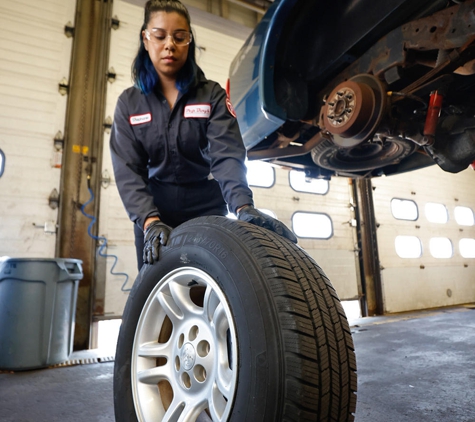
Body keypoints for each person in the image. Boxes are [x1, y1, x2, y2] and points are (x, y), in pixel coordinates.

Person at [110, 0, 297, 270]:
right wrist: (149, 221)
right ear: (145, 38)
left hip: (206, 204)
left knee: (211, 280)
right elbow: (128, 170)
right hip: (155, 209)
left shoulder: (212, 96)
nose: (169, 45)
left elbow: (227, 155)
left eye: (179, 37)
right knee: (155, 287)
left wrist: (242, 206)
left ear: (189, 41)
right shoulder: (129, 104)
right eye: (160, 36)